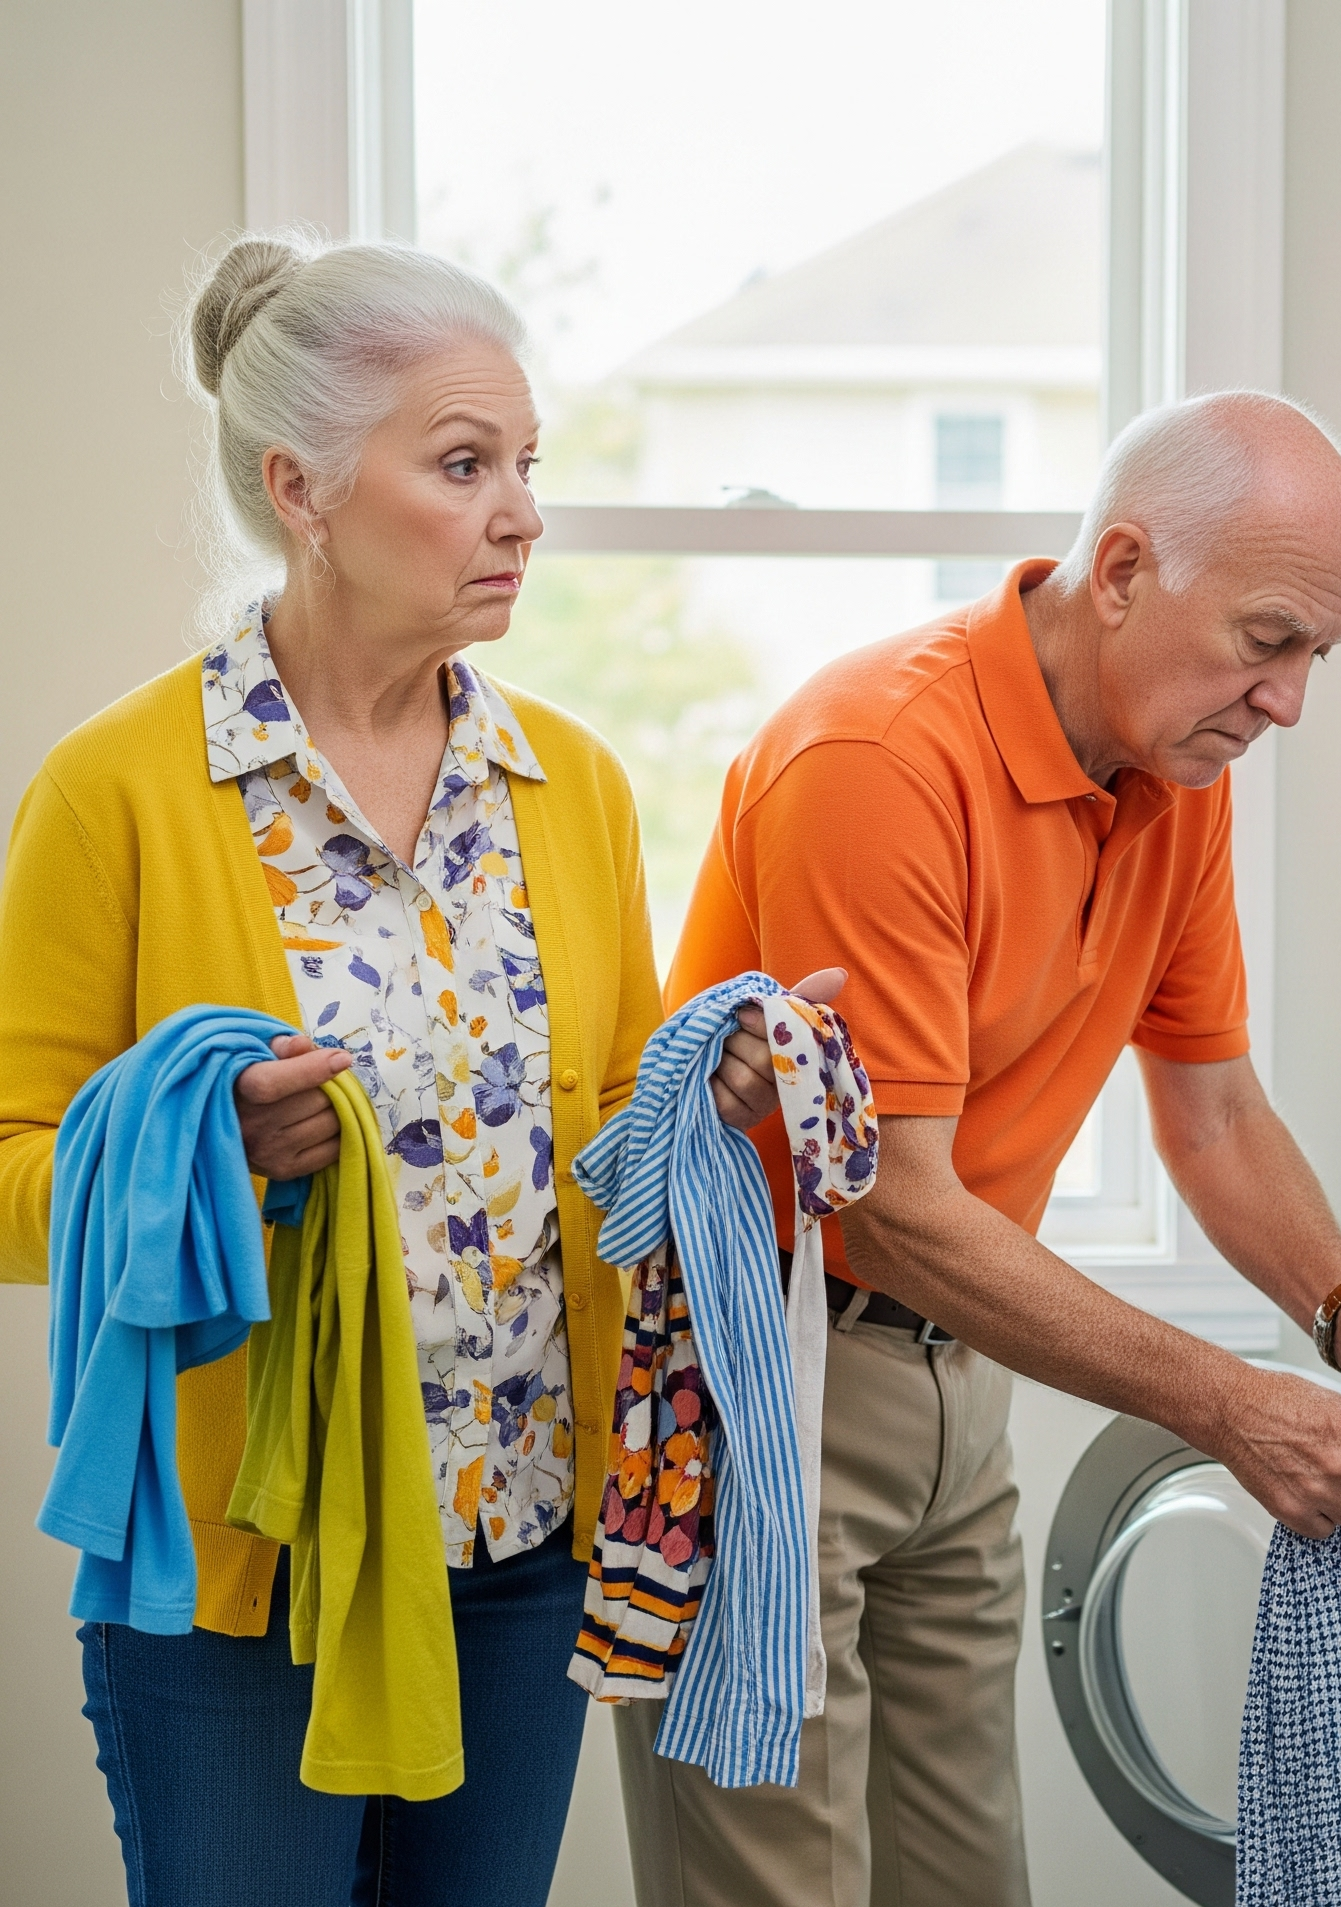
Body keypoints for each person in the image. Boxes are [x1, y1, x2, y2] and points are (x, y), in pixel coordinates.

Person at [0, 233, 807, 1907]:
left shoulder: (566, 785)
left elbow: (602, 1152)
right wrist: (200, 1149)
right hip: (243, 1569)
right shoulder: (119, 791)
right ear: (300, 485)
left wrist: (707, 1101)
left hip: (522, 1547)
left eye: (526, 465)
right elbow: (10, 1165)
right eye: (463, 464)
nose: (521, 511)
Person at [626, 390, 1341, 1907]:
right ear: (1128, 567)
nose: (1289, 702)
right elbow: (889, 1206)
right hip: (768, 1371)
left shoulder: (1172, 771)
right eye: (1268, 638)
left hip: (958, 1373)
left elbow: (1214, 1113)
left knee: (972, 1880)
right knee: (775, 1888)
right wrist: (1233, 1406)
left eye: (1316, 657)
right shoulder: (880, 759)